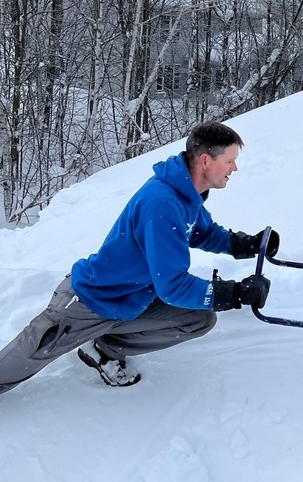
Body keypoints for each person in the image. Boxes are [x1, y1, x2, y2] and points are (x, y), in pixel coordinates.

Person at [0, 121, 277, 394]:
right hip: (92, 300)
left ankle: (103, 348)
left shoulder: (187, 194)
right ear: (206, 160)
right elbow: (173, 285)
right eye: (230, 161)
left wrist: (245, 244)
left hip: (134, 298)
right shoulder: (163, 203)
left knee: (198, 319)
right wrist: (236, 293)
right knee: (17, 364)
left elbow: (201, 232)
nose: (235, 168)